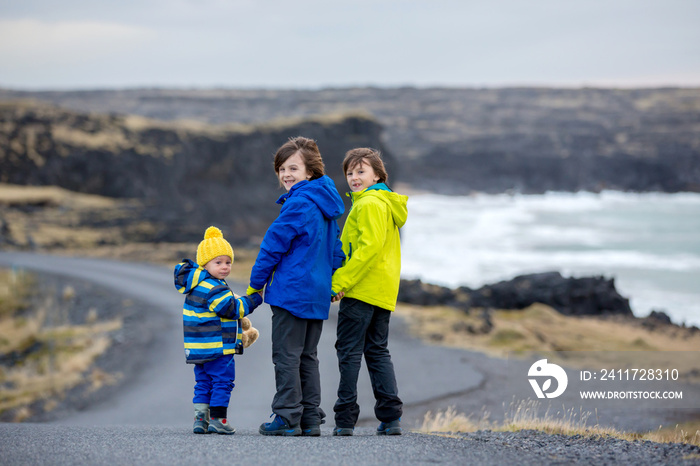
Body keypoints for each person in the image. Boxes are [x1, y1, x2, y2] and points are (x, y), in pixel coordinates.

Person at [248, 136, 345, 437]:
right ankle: (310, 419)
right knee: (307, 356)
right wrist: (335, 282)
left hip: (292, 292)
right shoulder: (325, 203)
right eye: (281, 169)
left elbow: (271, 247)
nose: (286, 175)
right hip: (316, 294)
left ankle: (287, 417)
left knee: (287, 356)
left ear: (311, 171)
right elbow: (336, 251)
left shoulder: (299, 203)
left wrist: (256, 285)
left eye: (293, 168)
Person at [330, 148, 408, 436]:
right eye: (350, 172)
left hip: (362, 291)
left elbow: (367, 250)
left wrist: (339, 283)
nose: (354, 177)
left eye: (361, 171)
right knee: (377, 351)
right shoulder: (386, 203)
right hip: (383, 292)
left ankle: (345, 419)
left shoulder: (369, 204)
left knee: (349, 352)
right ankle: (390, 418)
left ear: (378, 174)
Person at [174, 226, 263, 435]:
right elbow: (232, 309)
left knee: (203, 382)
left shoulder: (196, 286)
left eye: (228, 262)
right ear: (205, 263)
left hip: (199, 348)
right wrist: (255, 299)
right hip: (218, 347)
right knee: (223, 381)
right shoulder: (214, 287)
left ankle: (200, 419)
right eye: (218, 262)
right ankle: (218, 419)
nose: (225, 267)